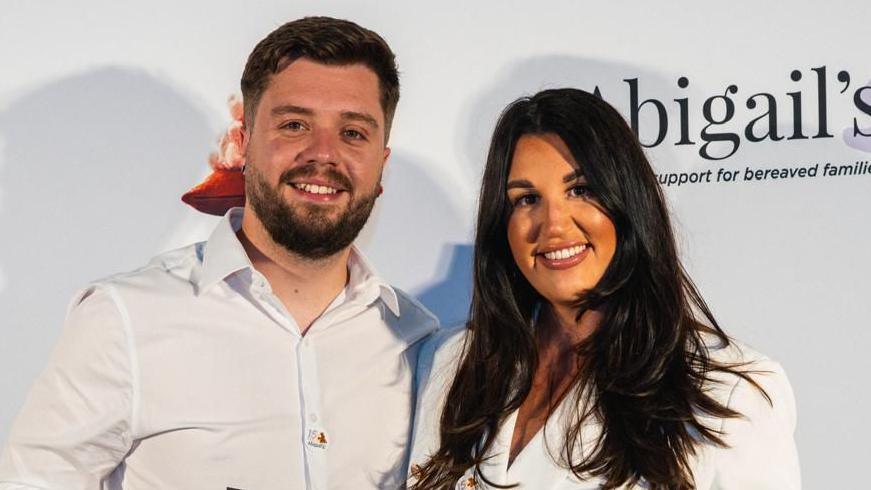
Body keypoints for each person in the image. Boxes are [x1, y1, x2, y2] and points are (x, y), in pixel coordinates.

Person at [0, 16, 437, 489]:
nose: (323, 154)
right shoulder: (126, 320)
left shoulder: (420, 344)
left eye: (353, 133)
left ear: (381, 165)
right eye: (294, 125)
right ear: (244, 143)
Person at [407, 89, 800, 489]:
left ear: (629, 202)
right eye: (526, 199)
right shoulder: (450, 363)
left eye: (580, 190)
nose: (553, 225)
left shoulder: (730, 392)